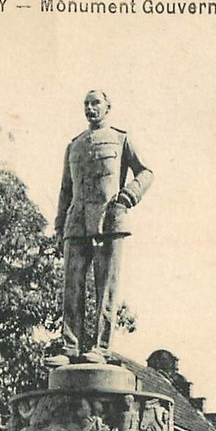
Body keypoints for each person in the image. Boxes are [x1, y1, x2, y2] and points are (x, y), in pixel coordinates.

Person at [50, 89, 153, 365]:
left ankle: (101, 347)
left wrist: (128, 196)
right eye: (86, 103)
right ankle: (69, 347)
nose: (90, 108)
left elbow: (146, 172)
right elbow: (65, 189)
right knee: (71, 286)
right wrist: (60, 226)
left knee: (105, 287)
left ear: (108, 107)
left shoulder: (121, 139)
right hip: (76, 223)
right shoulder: (74, 145)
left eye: (95, 103)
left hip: (109, 220)